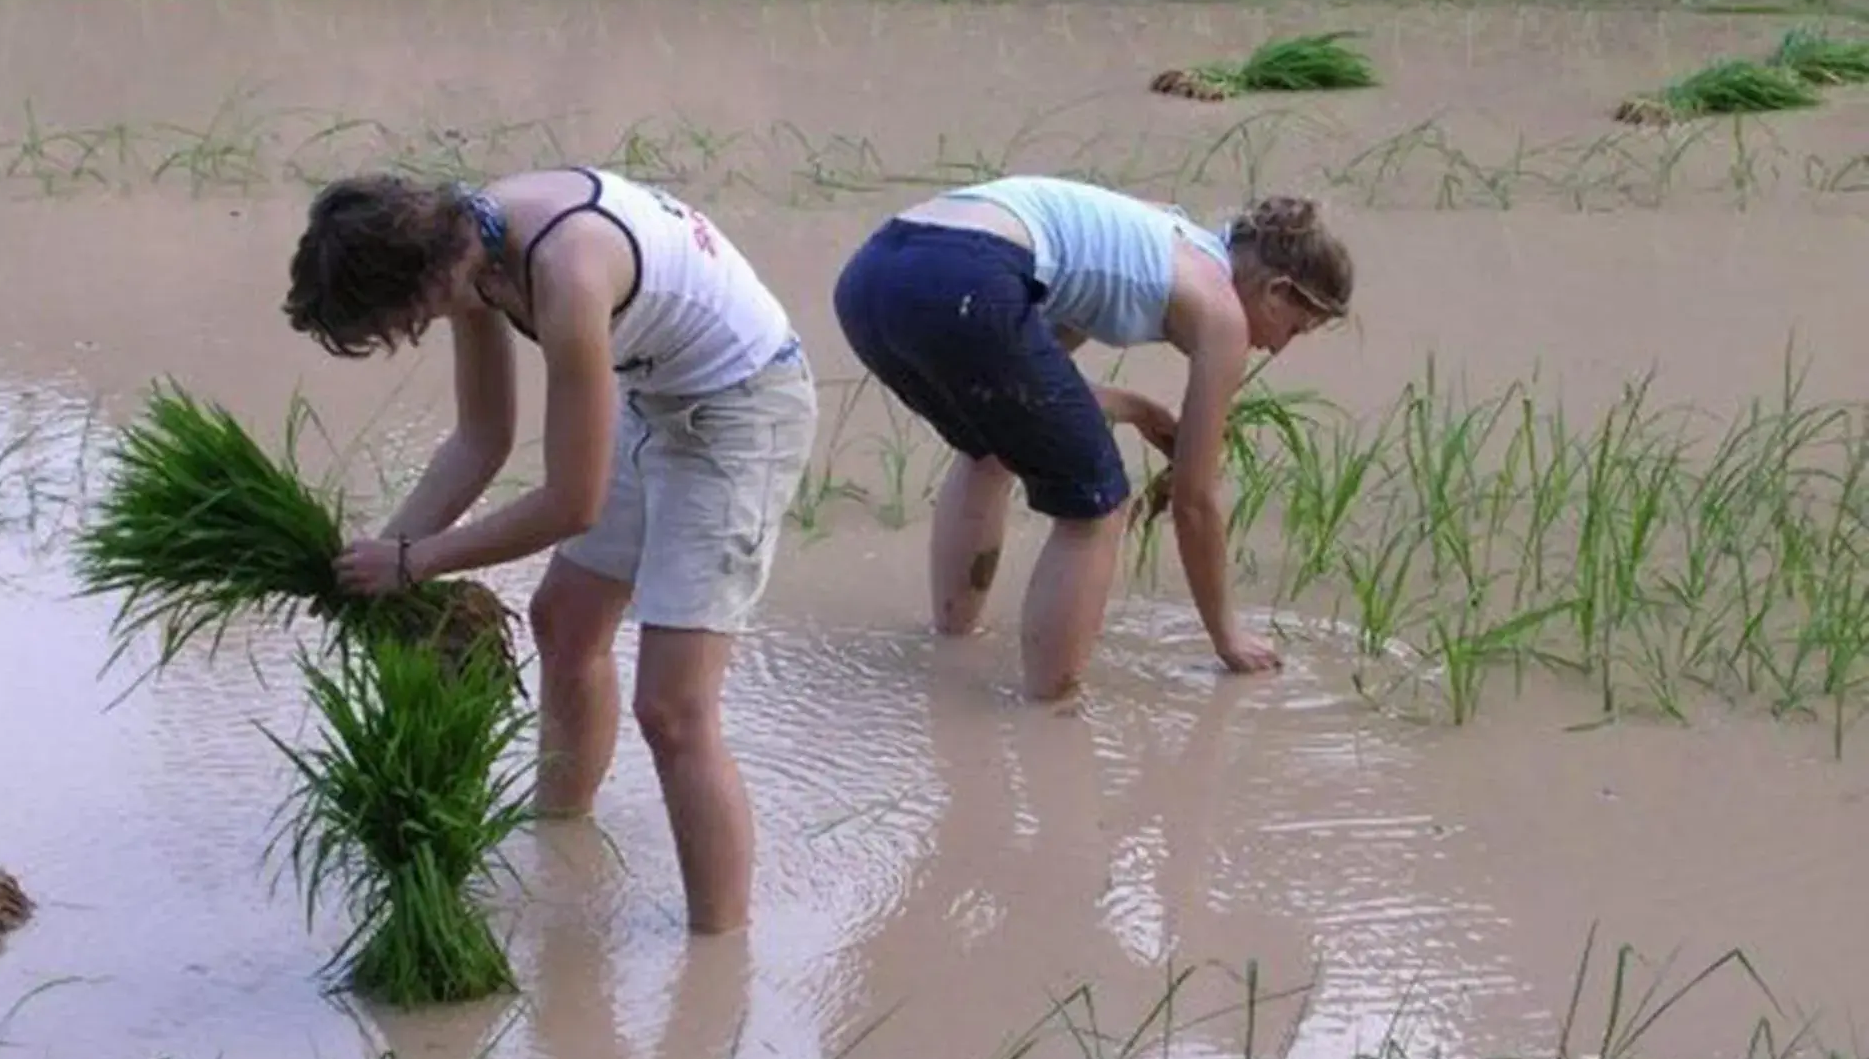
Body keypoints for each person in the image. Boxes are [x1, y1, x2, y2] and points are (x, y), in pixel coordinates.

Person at [282, 165, 820, 936]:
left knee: (673, 709)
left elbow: (573, 502)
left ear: (423, 279)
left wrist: (417, 564)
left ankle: (720, 953)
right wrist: (381, 559)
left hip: (743, 407)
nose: (416, 329)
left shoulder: (566, 271)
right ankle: (562, 840)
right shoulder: (472, 245)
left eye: (404, 318)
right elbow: (481, 440)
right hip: (655, 389)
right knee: (566, 622)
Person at [831, 175, 1352, 700]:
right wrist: (1227, 637)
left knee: (990, 449)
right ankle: (1051, 708)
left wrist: (1139, 410)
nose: (1279, 349)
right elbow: (1196, 503)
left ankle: (952, 638)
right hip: (967, 274)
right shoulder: (1223, 315)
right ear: (1277, 291)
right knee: (1098, 503)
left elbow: (1030, 382)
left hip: (875, 273)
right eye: (1295, 328)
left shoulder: (1160, 234)